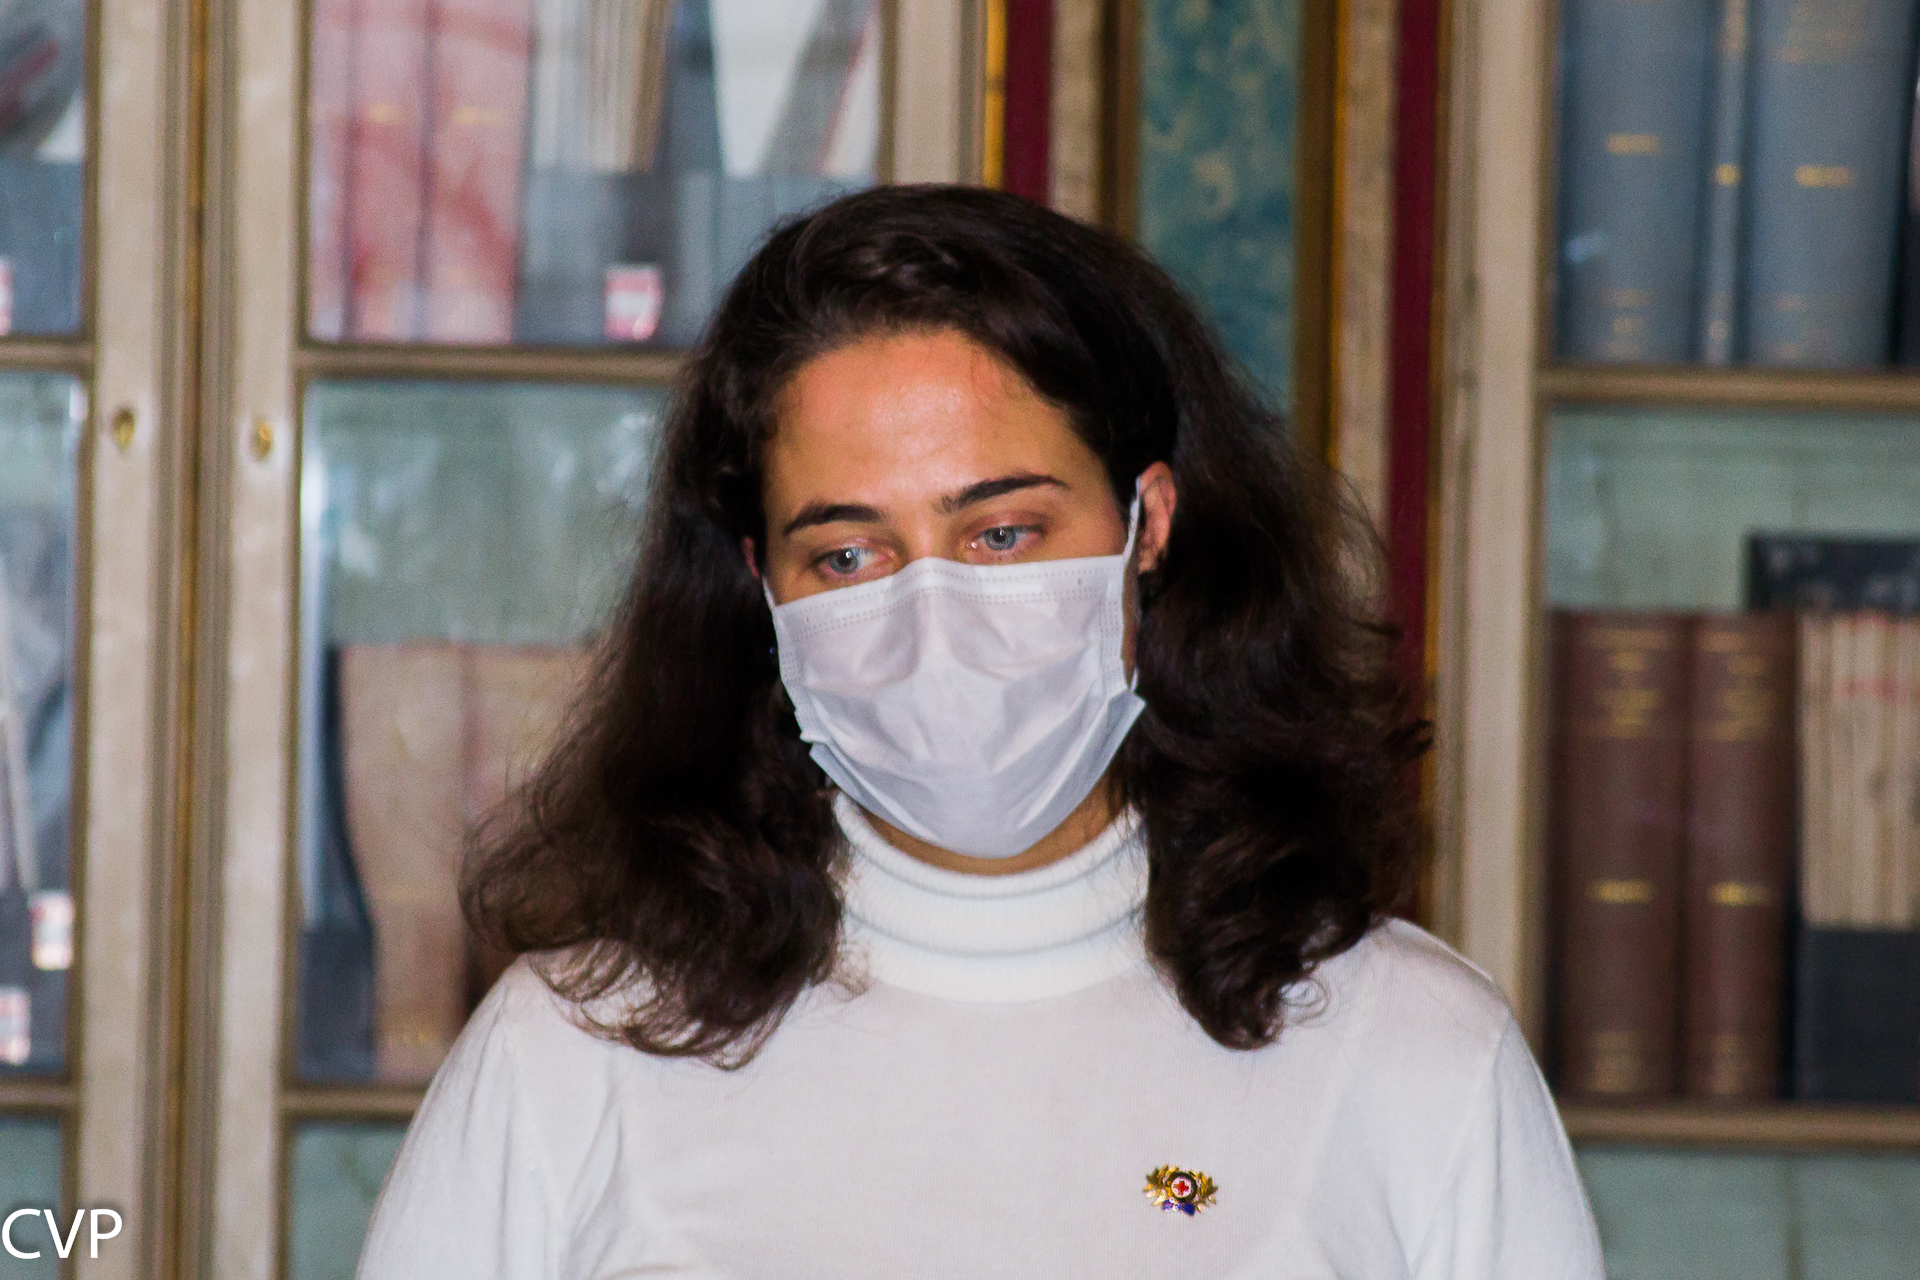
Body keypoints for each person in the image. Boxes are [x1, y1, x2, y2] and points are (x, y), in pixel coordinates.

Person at [357, 185, 1604, 1279]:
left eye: (1001, 533)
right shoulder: (570, 1056)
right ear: (761, 586)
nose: (932, 616)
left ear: (1149, 521)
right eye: (849, 554)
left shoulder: (1412, 1054)